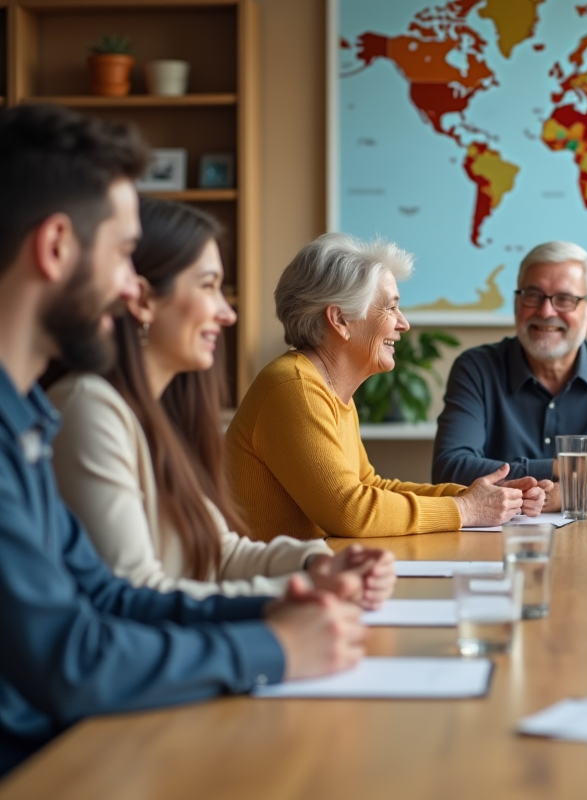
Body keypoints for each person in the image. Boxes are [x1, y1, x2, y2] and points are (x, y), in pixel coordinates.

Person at [0, 104, 362, 776]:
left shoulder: (25, 420)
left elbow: (108, 598)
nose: (130, 286)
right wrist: (274, 648)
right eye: (122, 255)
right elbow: (71, 658)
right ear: (55, 248)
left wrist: (289, 604)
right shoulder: (57, 415)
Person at [47, 197, 395, 605]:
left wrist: (314, 563)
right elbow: (134, 597)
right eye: (209, 286)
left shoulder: (156, 414)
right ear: (142, 300)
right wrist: (303, 590)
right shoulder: (89, 410)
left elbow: (222, 553)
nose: (227, 314)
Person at [227, 233, 545, 540]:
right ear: (340, 320)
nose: (403, 323)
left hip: (313, 576)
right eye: (390, 307)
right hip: (270, 589)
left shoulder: (328, 389)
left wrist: (474, 496)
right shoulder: (294, 386)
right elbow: (349, 509)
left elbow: (370, 486)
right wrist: (464, 508)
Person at [432, 241, 587, 512]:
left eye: (565, 299)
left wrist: (566, 496)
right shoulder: (476, 368)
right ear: (517, 303)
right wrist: (572, 467)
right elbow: (449, 468)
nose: (545, 311)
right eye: (533, 295)